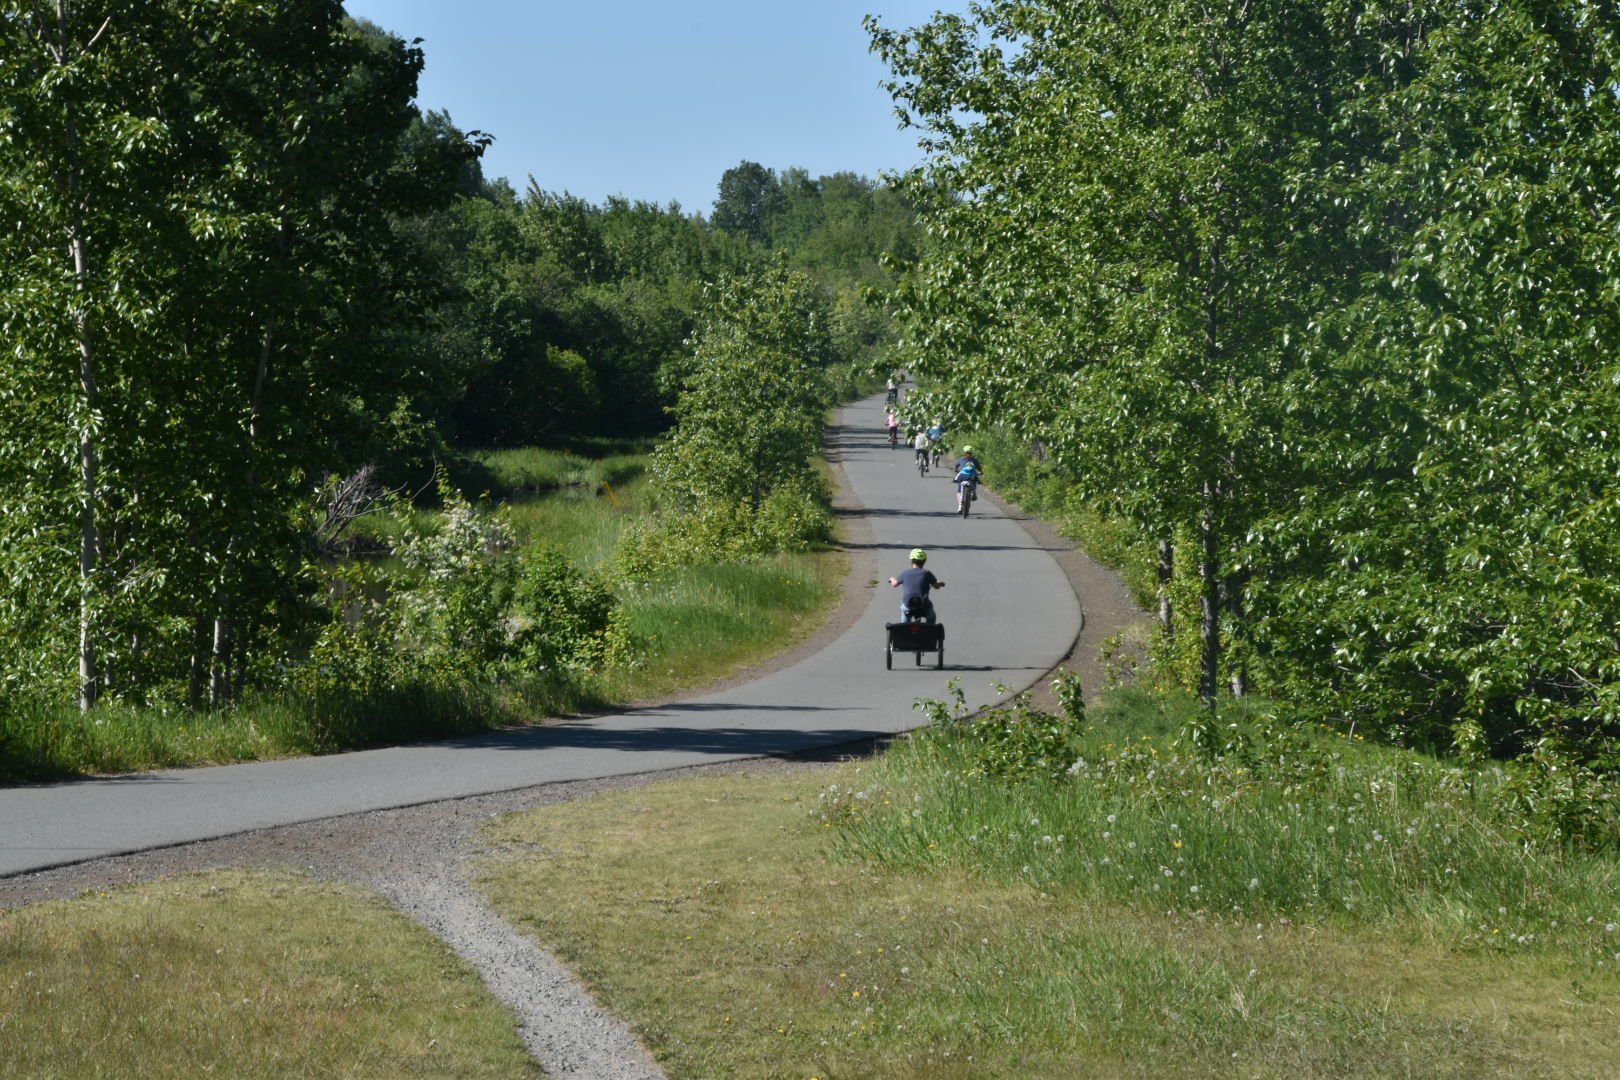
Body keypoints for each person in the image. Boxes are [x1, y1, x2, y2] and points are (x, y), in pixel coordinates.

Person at [888, 548, 944, 623]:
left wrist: (892, 579)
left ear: (911, 561)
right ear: (924, 561)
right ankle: (930, 630)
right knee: (931, 616)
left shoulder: (905, 573)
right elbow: (936, 586)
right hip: (924, 605)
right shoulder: (927, 573)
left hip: (908, 605)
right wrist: (940, 583)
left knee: (904, 609)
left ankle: (905, 627)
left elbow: (895, 584)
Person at [954, 447, 983, 511]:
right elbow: (979, 468)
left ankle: (959, 506)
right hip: (972, 476)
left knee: (959, 490)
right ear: (971, 452)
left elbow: (956, 466)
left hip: (963, 475)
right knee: (974, 481)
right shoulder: (974, 459)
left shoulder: (961, 459)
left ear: (964, 452)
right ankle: (973, 492)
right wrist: (981, 472)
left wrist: (956, 470)